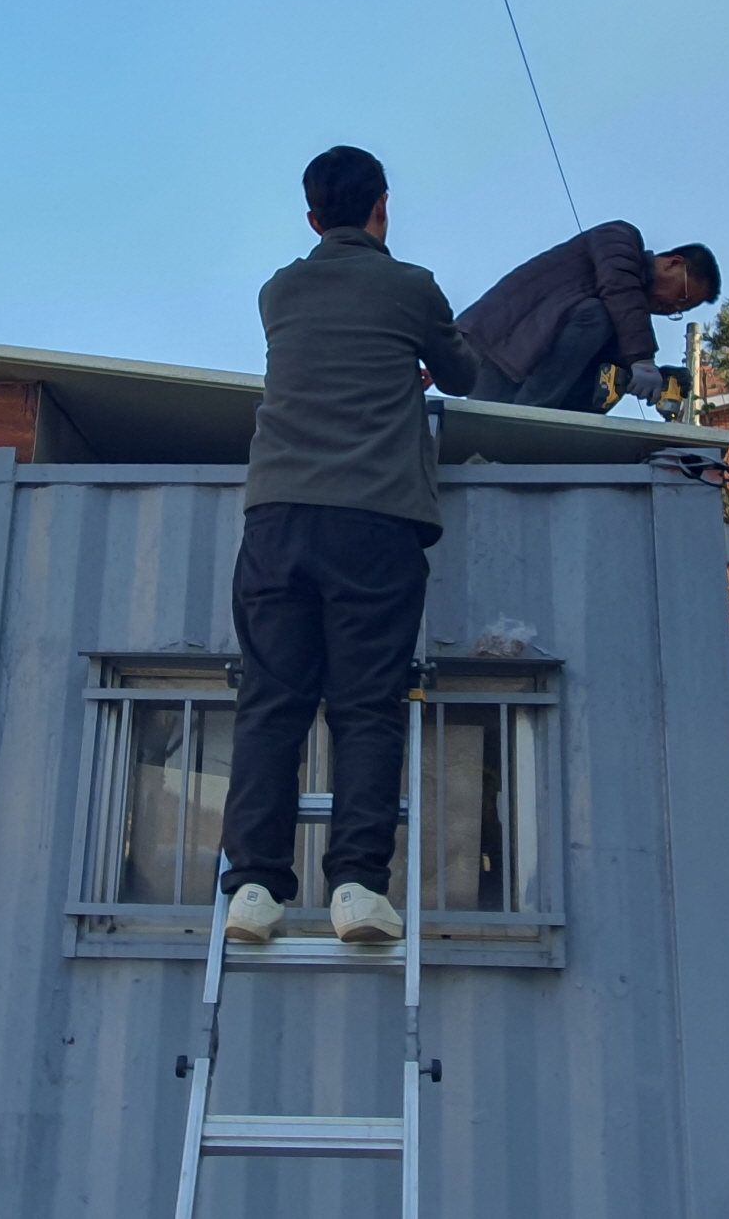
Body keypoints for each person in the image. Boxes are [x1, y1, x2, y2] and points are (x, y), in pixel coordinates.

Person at [220, 146, 478, 946]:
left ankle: (255, 890)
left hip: (277, 521)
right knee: (366, 708)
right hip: (373, 522)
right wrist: (422, 363)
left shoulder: (279, 290)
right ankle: (358, 889)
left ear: (309, 218)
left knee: (271, 705)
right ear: (384, 208)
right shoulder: (411, 287)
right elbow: (462, 372)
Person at [458, 220, 719, 413]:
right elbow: (619, 289)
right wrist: (643, 360)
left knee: (606, 379)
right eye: (682, 296)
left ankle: (538, 426)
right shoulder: (618, 237)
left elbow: (606, 366)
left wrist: (658, 380)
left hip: (518, 376)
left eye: (679, 311)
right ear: (673, 263)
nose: (672, 307)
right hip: (495, 356)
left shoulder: (621, 323)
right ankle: (531, 418)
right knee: (600, 314)